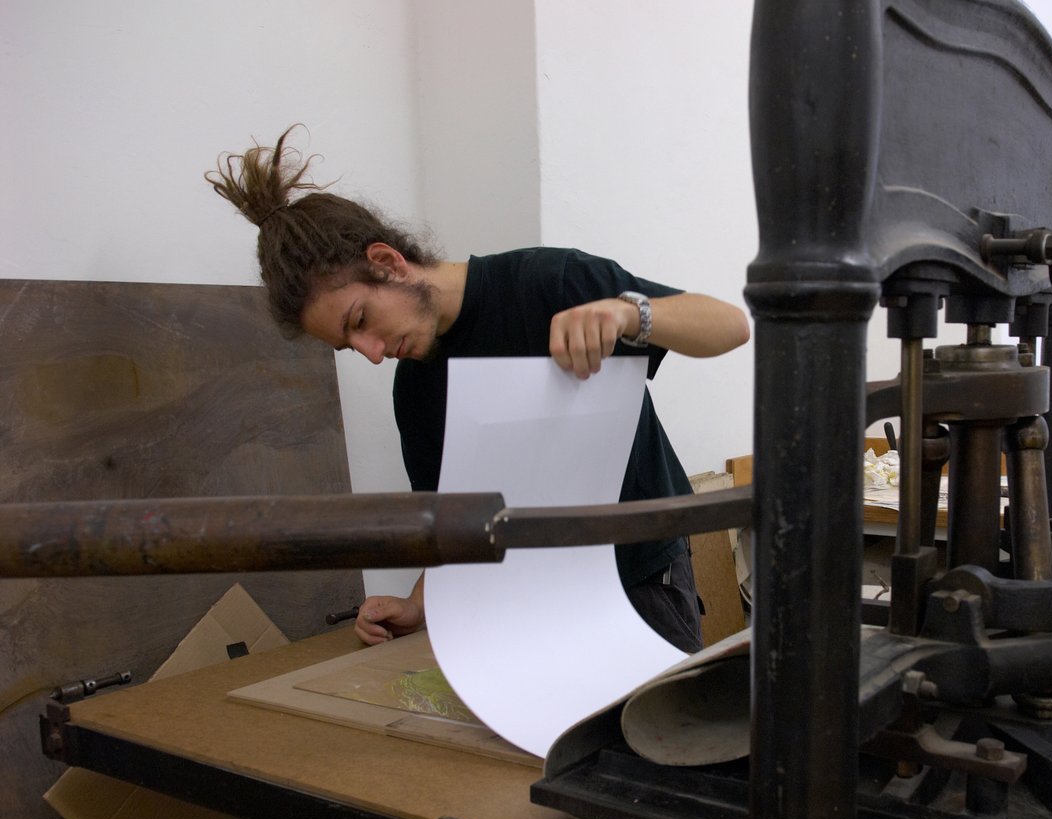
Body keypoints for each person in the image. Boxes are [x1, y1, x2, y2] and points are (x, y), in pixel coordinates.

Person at [207, 127, 749, 653]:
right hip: (530, 607)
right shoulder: (415, 389)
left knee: (656, 740)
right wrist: (418, 604)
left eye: (361, 320)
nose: (372, 351)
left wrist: (631, 312)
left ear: (387, 263)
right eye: (352, 346)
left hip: (639, 583)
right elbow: (452, 530)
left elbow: (730, 326)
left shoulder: (549, 282)